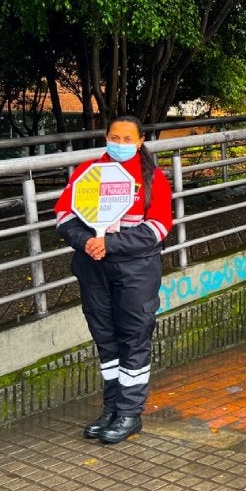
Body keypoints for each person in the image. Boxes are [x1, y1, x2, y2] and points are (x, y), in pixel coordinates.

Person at [54, 115, 174, 443]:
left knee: (133, 338)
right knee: (105, 338)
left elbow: (158, 227)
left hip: (136, 270)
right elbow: (64, 215)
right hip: (93, 267)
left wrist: (111, 243)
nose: (119, 144)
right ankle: (111, 408)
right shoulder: (87, 173)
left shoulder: (152, 179)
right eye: (113, 137)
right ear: (105, 137)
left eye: (126, 139)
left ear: (139, 142)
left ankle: (130, 413)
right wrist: (87, 242)